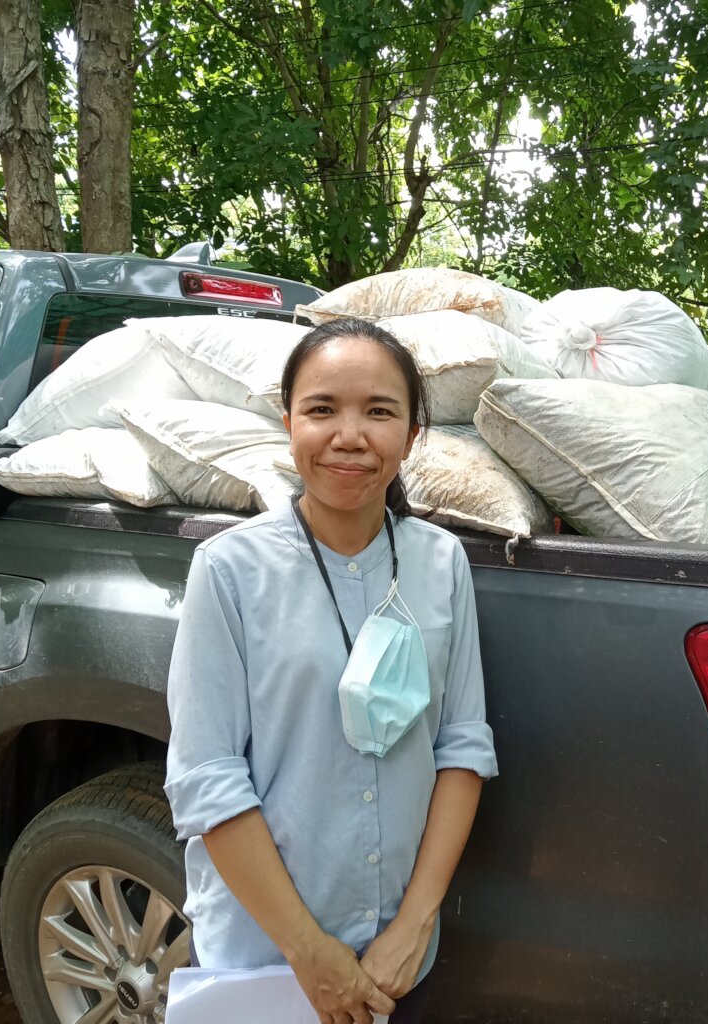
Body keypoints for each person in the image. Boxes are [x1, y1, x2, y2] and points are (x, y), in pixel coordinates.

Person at [164, 317, 498, 1024]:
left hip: (395, 963)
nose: (350, 436)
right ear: (288, 423)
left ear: (412, 435)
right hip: (267, 966)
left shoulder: (440, 563)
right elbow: (208, 778)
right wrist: (309, 953)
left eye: (379, 411)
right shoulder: (229, 571)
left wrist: (412, 927)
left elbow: (463, 747)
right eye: (322, 410)